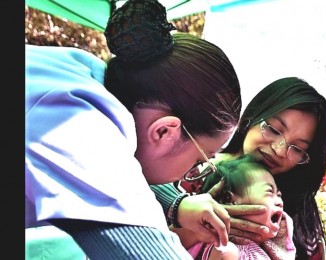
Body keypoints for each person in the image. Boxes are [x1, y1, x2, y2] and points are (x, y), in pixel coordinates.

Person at [25, 0, 252, 258]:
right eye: (197, 163)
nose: (189, 174)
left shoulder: (82, 72)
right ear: (165, 132)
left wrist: (176, 203)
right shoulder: (78, 128)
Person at [151, 76, 326, 259]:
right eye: (274, 129)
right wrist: (184, 214)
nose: (279, 149)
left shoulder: (297, 218)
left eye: (298, 148)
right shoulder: (190, 170)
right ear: (252, 117)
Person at [172, 154, 296, 260]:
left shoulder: (266, 248)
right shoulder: (225, 250)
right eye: (269, 192)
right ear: (229, 200)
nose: (280, 202)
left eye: (279, 195)